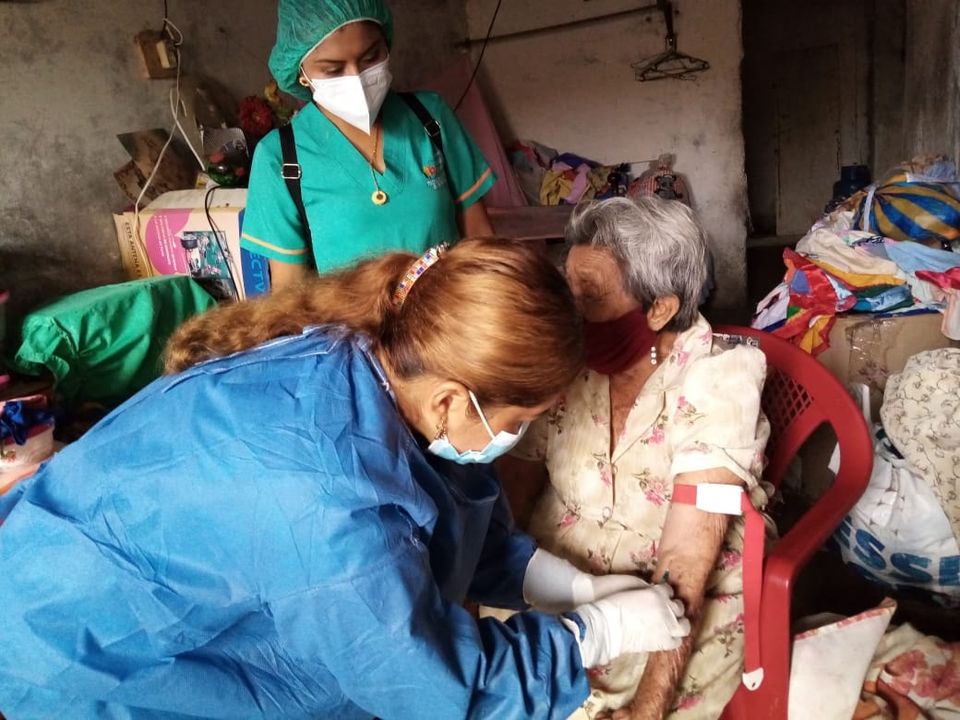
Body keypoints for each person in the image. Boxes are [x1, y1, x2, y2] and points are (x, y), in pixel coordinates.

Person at [0, 239, 690, 719]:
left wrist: (553, 580)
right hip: (76, 654)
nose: (518, 437)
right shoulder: (330, 505)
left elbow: (433, 493)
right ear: (453, 401)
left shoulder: (365, 358)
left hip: (66, 560)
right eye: (521, 420)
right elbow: (429, 689)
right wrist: (590, 635)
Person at [499, 198, 771, 720]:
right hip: (560, 565)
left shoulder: (718, 376)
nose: (569, 309)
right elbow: (517, 478)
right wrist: (473, 575)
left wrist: (649, 706)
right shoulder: (569, 362)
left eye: (590, 293)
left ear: (660, 309)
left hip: (670, 589)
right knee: (495, 677)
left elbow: (688, 555)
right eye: (567, 285)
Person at [241, 0, 497, 289]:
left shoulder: (430, 119)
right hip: (349, 320)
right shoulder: (280, 158)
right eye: (334, 70)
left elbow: (481, 239)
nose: (357, 79)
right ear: (302, 73)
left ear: (386, 45)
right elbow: (290, 291)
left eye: (371, 57)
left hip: (449, 312)